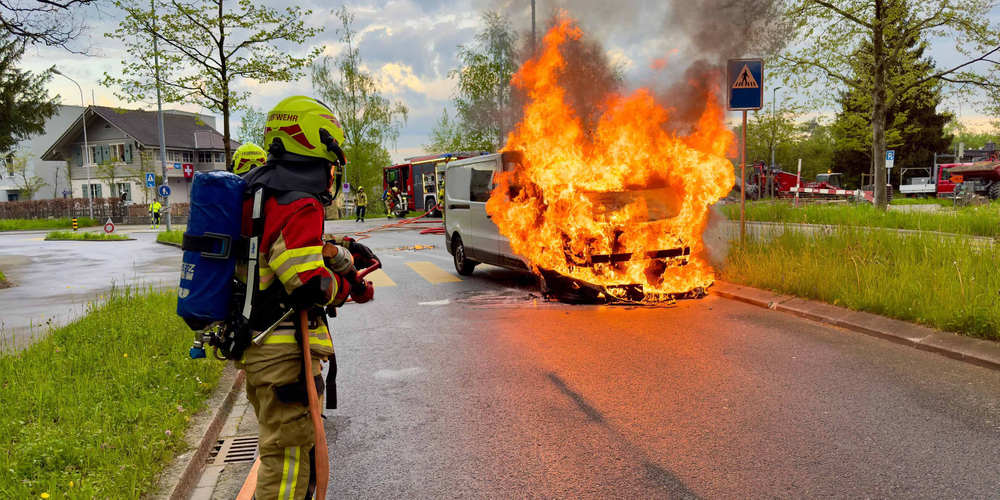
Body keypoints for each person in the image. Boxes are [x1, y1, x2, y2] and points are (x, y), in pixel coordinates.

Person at [237, 95, 378, 500]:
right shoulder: (299, 202)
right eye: (331, 162)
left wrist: (339, 247)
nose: (331, 173)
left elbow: (281, 247)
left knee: (285, 451)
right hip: (282, 353)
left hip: (260, 347)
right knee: (288, 463)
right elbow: (306, 282)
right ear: (315, 147)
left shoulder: (261, 189)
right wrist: (346, 287)